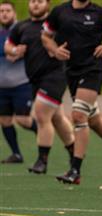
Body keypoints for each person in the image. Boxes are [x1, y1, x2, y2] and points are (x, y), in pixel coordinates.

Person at [41, 0, 102, 184]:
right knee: (93, 118)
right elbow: (45, 35)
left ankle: (75, 170)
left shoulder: (101, 12)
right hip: (71, 71)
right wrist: (54, 50)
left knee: (79, 115)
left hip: (93, 69)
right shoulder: (60, 11)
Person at [5, 0, 74, 174]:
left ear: (47, 4)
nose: (35, 4)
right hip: (35, 79)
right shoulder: (22, 27)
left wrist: (60, 49)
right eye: (32, 1)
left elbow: (73, 42)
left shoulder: (55, 25)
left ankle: (42, 161)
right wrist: (14, 51)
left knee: (42, 115)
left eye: (40, 1)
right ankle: (75, 152)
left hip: (56, 75)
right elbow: (9, 44)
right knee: (57, 117)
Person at [0, 0, 37, 163]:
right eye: (1, 11)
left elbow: (28, 49)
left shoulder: (21, 30)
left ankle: (43, 133)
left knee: (23, 120)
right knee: (4, 120)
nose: (4, 14)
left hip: (22, 83)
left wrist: (17, 52)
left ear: (14, 13)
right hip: (2, 86)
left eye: (7, 10)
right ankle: (16, 154)